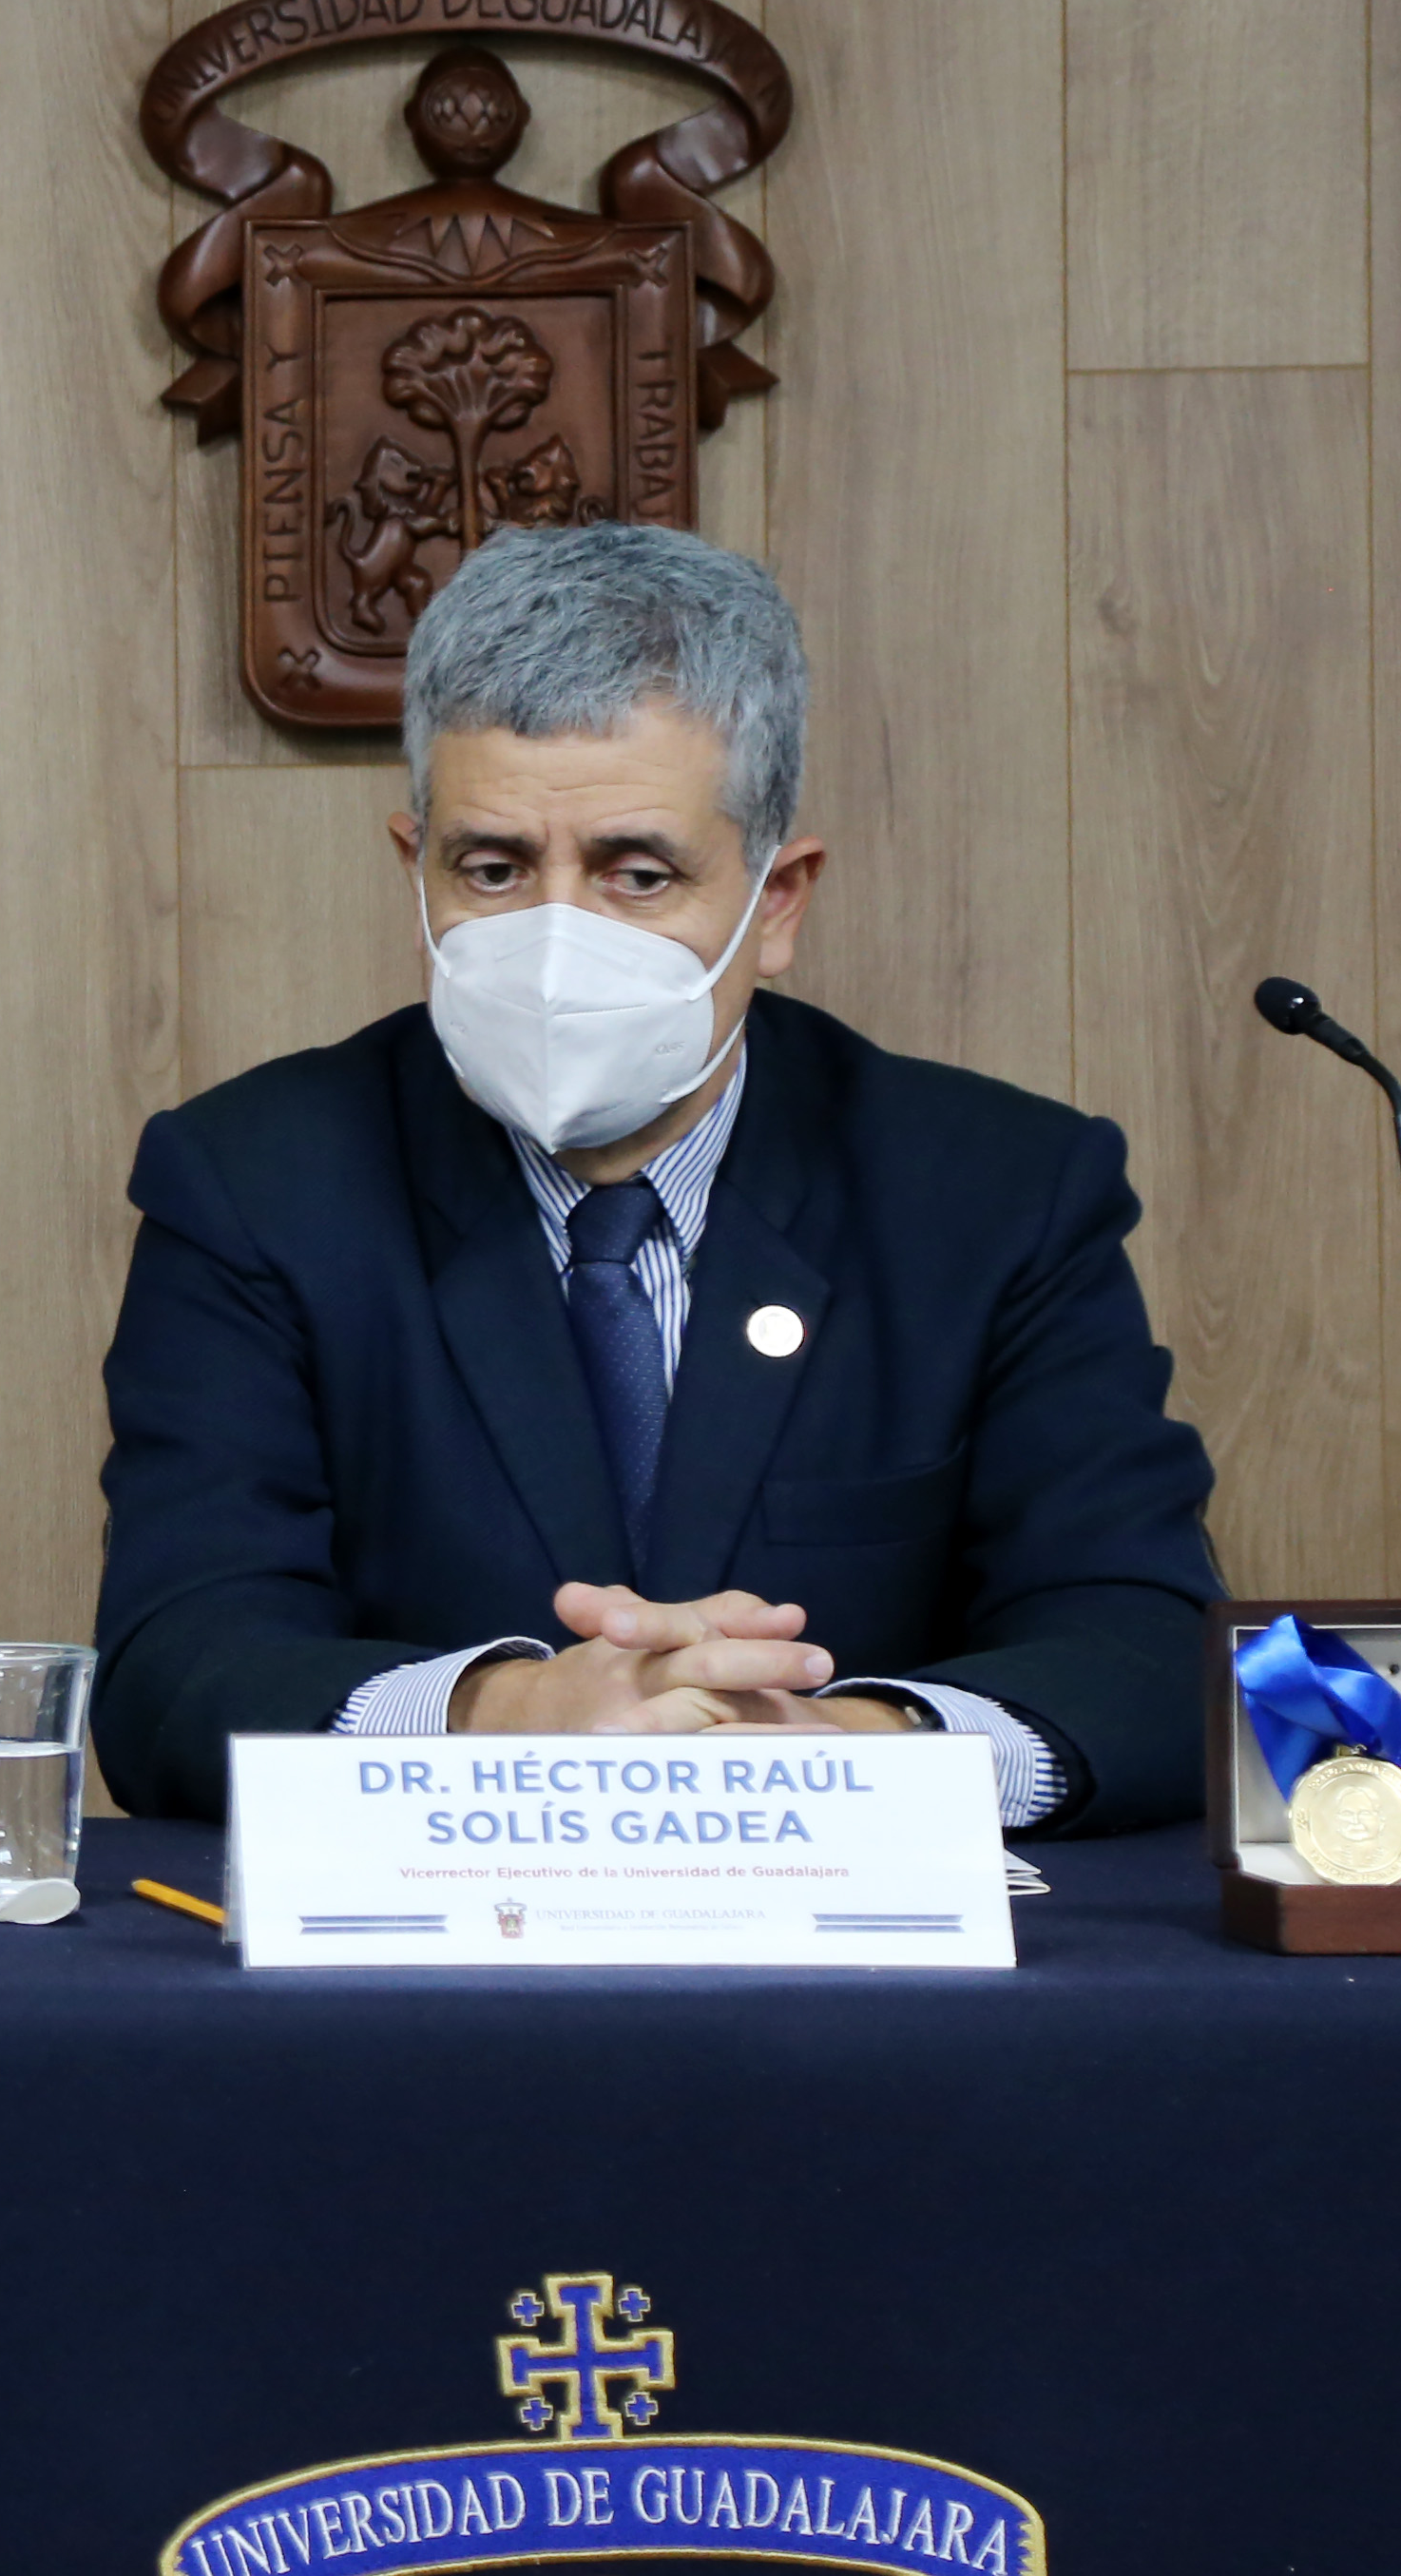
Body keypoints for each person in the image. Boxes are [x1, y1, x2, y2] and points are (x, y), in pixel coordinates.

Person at [89, 525, 1220, 1835]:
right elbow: (174, 1670)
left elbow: (1152, 1650)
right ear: (416, 871)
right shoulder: (254, 1183)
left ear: (777, 902)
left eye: (637, 874)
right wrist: (504, 1718)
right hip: (436, 1938)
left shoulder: (997, 1193)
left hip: (858, 1940)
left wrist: (847, 1749)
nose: (556, 941)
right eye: (494, 869)